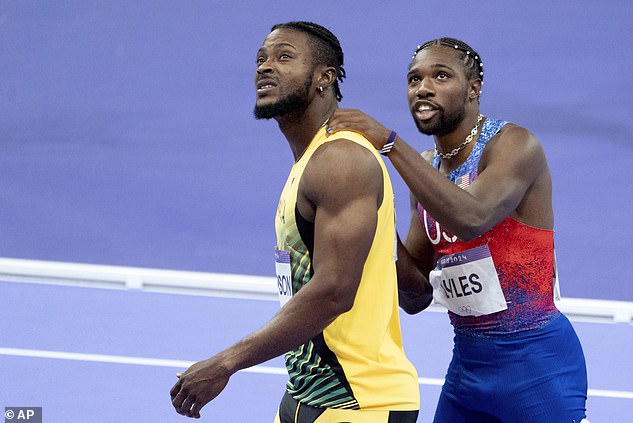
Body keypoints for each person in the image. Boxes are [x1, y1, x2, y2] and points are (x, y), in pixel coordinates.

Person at [169, 21, 421, 422]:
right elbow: (406, 287)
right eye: (261, 59)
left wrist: (225, 363)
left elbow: (335, 291)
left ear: (325, 77)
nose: (265, 67)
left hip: (358, 402)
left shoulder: (341, 160)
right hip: (308, 394)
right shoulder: (314, 160)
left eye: (284, 57)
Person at [327, 37, 589, 423]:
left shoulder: (513, 145)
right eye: (414, 79)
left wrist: (389, 144)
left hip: (538, 368)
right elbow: (414, 294)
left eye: (441, 76)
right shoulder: (428, 168)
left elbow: (472, 217)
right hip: (468, 372)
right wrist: (369, 218)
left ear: (474, 88)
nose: (424, 88)